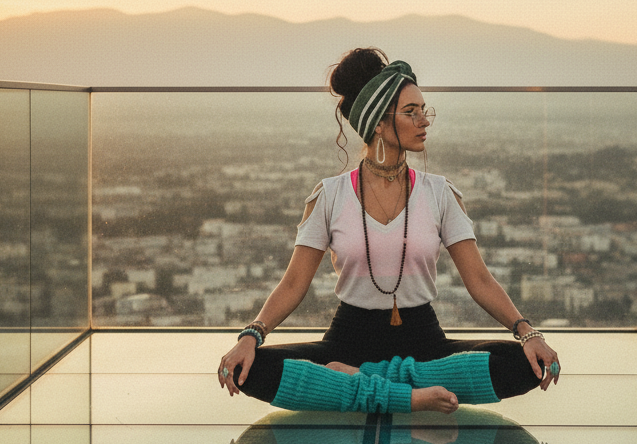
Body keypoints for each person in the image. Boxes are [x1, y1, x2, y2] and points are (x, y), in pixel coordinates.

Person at [218, 47, 560, 415]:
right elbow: (293, 284)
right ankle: (410, 394)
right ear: (377, 123)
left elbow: (479, 279)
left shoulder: (440, 193)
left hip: (424, 341)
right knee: (249, 371)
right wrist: (250, 337)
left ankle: (358, 383)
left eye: (423, 110)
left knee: (525, 363)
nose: (424, 120)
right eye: (411, 112)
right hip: (348, 338)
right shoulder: (329, 195)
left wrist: (528, 333)